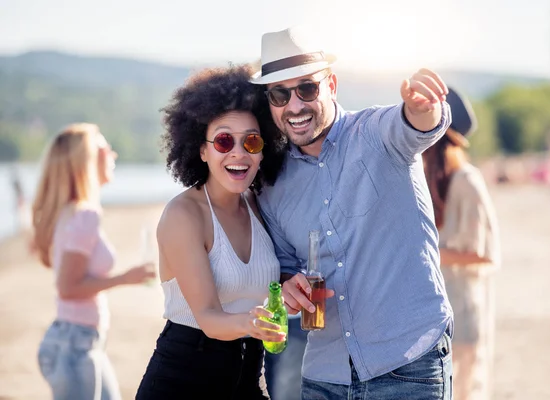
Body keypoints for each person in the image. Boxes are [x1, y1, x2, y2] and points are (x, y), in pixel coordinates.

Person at [250, 26, 454, 400]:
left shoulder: (376, 133)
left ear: (331, 85)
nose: (294, 106)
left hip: (408, 365)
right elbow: (285, 267)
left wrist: (424, 107)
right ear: (270, 102)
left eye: (307, 89)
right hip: (324, 376)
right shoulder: (271, 186)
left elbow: (417, 125)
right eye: (280, 94)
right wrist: (291, 285)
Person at [135, 64, 288, 399]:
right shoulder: (184, 214)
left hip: (246, 380)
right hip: (183, 381)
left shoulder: (260, 207)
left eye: (251, 140)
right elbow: (207, 316)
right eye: (223, 141)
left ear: (264, 149)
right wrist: (251, 323)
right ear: (202, 150)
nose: (237, 152)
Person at [31, 123, 156, 400]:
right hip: (74, 346)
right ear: (85, 160)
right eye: (103, 148)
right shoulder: (84, 215)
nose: (113, 154)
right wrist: (125, 278)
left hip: (78, 341)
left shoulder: (70, 211)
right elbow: (68, 287)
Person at [422, 88, 501, 400]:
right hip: (430, 320)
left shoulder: (467, 180)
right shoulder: (422, 179)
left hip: (463, 318)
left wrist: (429, 254)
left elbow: (486, 256)